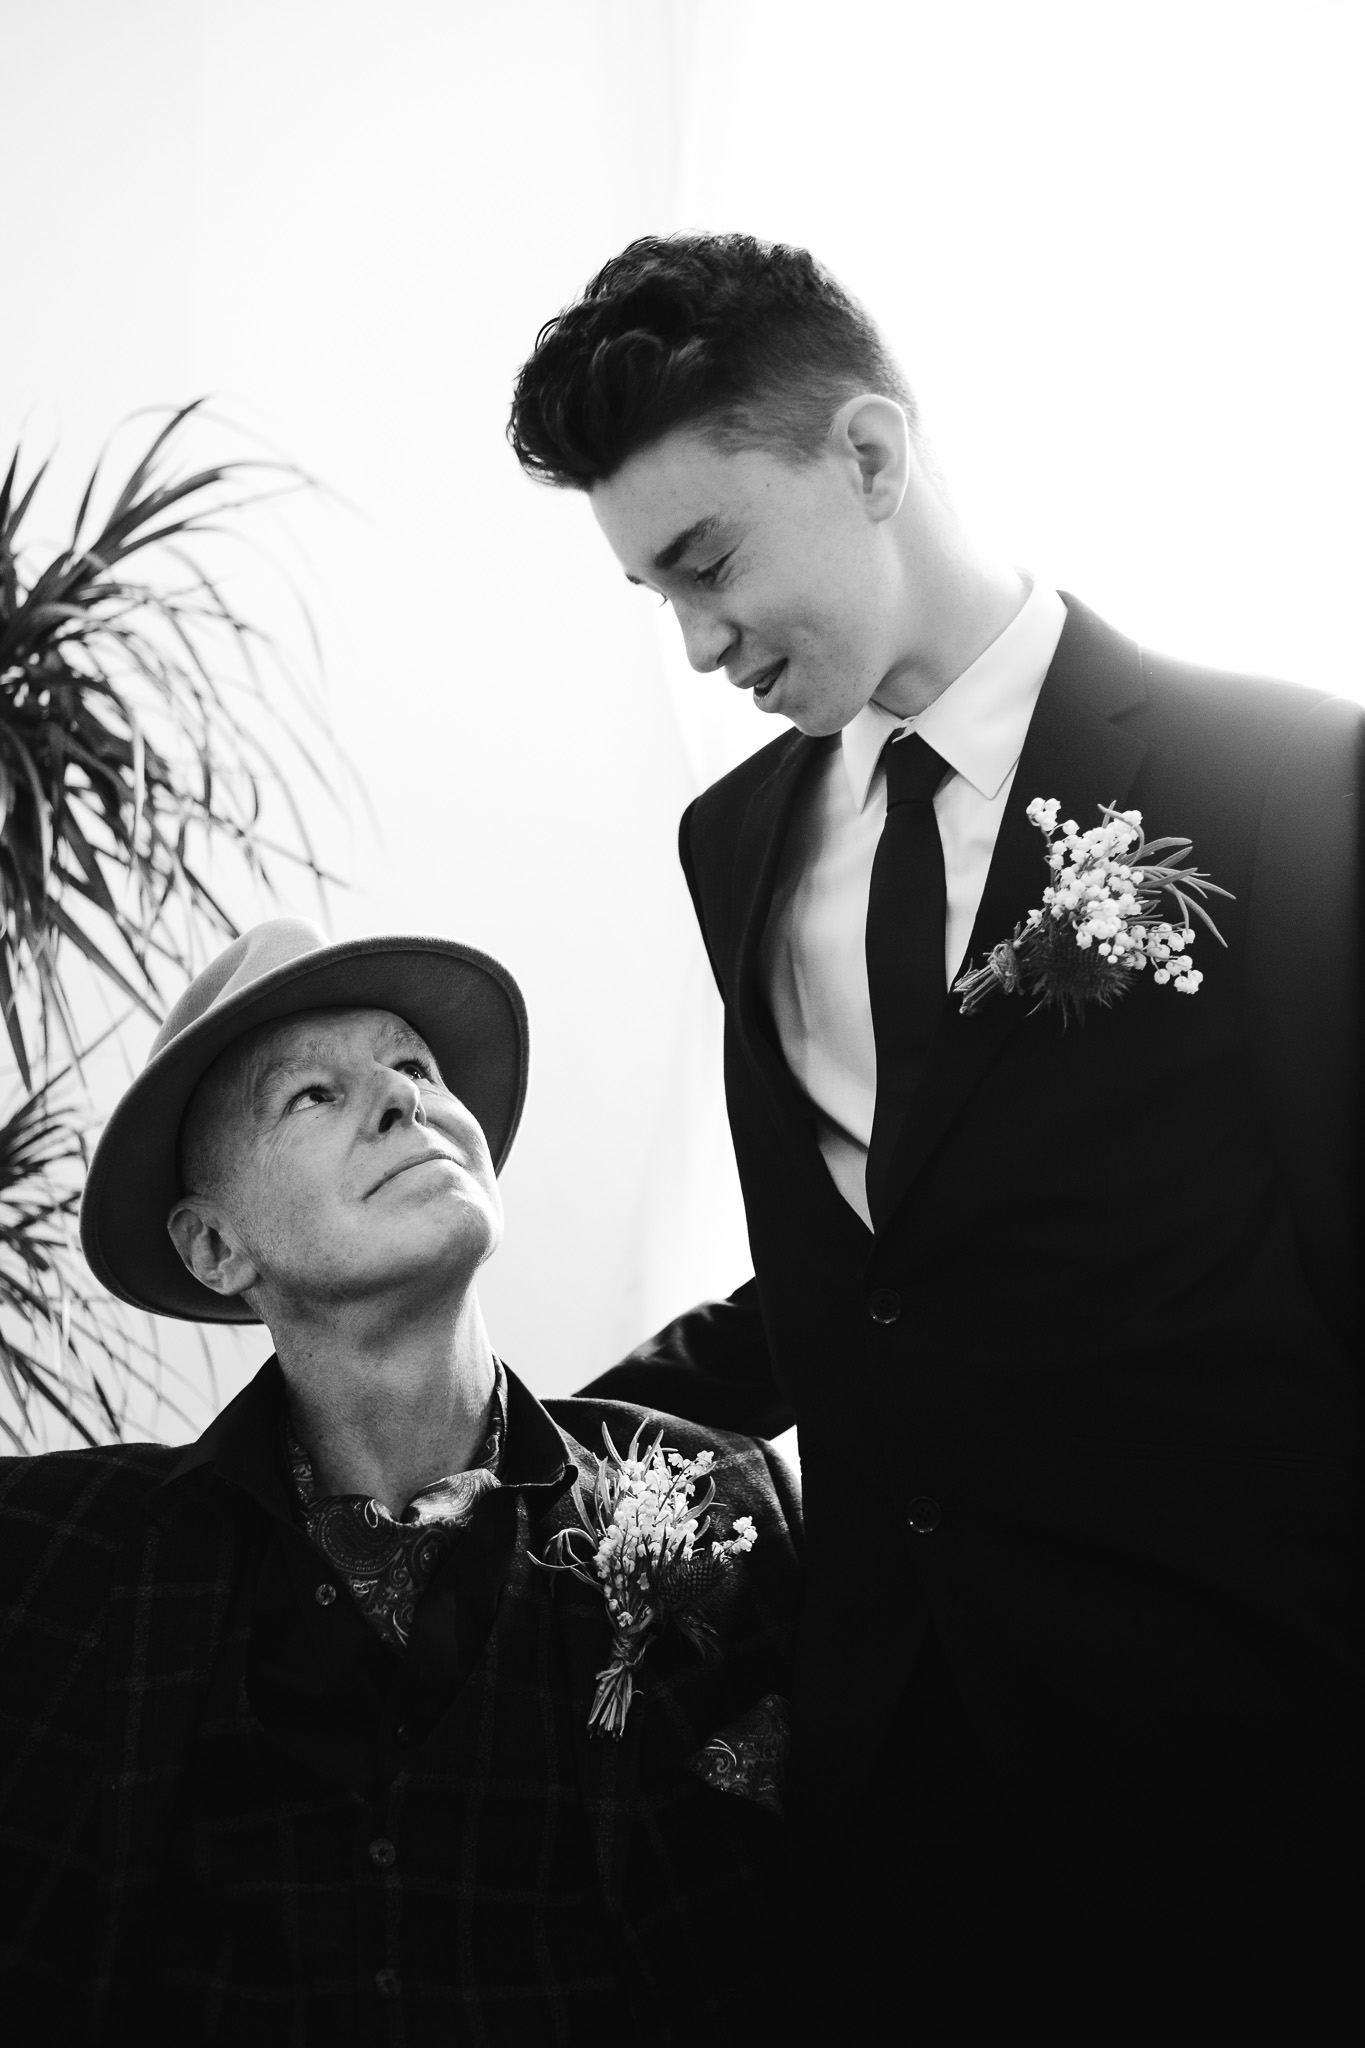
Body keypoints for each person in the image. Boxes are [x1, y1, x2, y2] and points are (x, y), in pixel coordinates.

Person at [508, 232, 1364, 2041]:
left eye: (709, 561)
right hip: (892, 1791)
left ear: (874, 458)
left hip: (1240, 1764)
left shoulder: (1282, 777)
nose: (702, 640)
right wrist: (533, 1436)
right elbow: (870, 1269)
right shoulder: (732, 844)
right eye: (653, 594)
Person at [0, 918, 801, 2043]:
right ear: (215, 1246)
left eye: (414, 1066)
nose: (399, 1098)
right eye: (312, 1095)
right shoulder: (50, 1562)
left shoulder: (725, 1502)